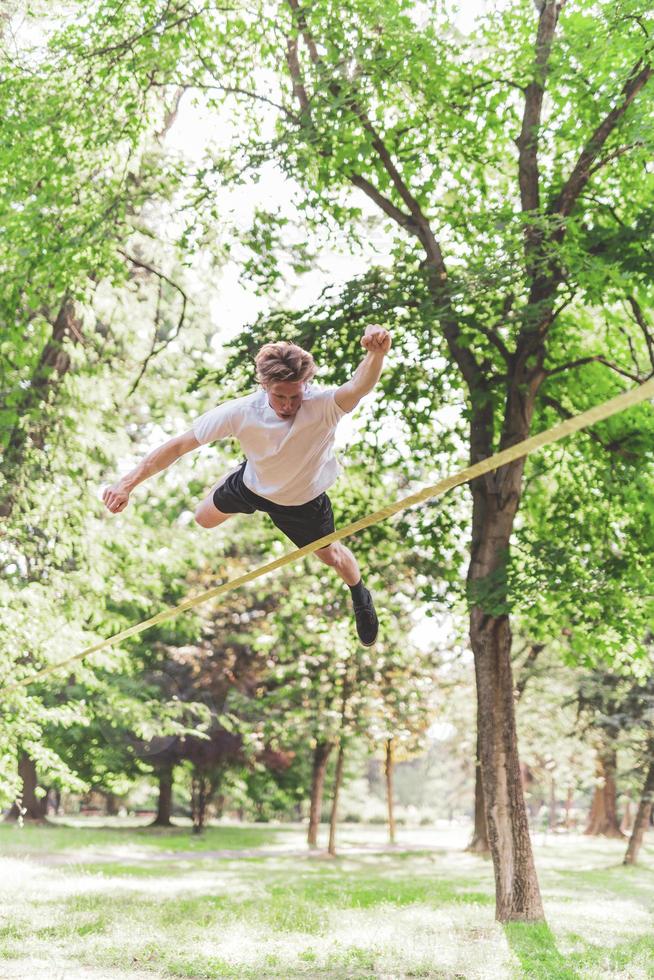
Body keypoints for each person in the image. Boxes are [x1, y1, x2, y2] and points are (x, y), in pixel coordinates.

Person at [103, 325, 392, 645]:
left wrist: (376, 353)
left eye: (294, 396)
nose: (286, 405)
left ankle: (360, 594)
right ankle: (238, 473)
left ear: (305, 386)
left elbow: (359, 386)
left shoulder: (324, 405)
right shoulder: (241, 412)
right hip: (252, 486)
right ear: (264, 386)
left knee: (332, 558)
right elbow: (179, 446)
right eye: (278, 396)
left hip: (302, 500)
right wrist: (126, 484)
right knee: (203, 519)